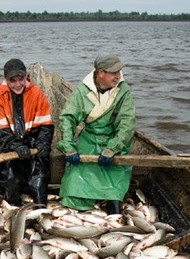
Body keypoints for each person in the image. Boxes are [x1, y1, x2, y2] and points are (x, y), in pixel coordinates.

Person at [56, 53, 136, 214]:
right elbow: (67, 118)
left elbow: (127, 123)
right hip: (89, 139)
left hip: (115, 140)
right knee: (73, 189)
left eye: (119, 72)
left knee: (114, 192)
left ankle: (113, 207)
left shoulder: (123, 91)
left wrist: (113, 148)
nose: (118, 76)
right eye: (113, 72)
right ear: (100, 73)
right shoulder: (82, 90)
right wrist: (68, 146)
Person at [0, 58, 54, 206]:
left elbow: (45, 125)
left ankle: (38, 208)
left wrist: (43, 143)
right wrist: (16, 145)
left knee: (39, 179)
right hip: (8, 144)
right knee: (10, 179)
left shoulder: (37, 94)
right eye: (13, 80)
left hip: (31, 142)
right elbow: (0, 131)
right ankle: (14, 205)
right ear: (6, 80)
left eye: (21, 79)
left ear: (26, 76)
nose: (18, 84)